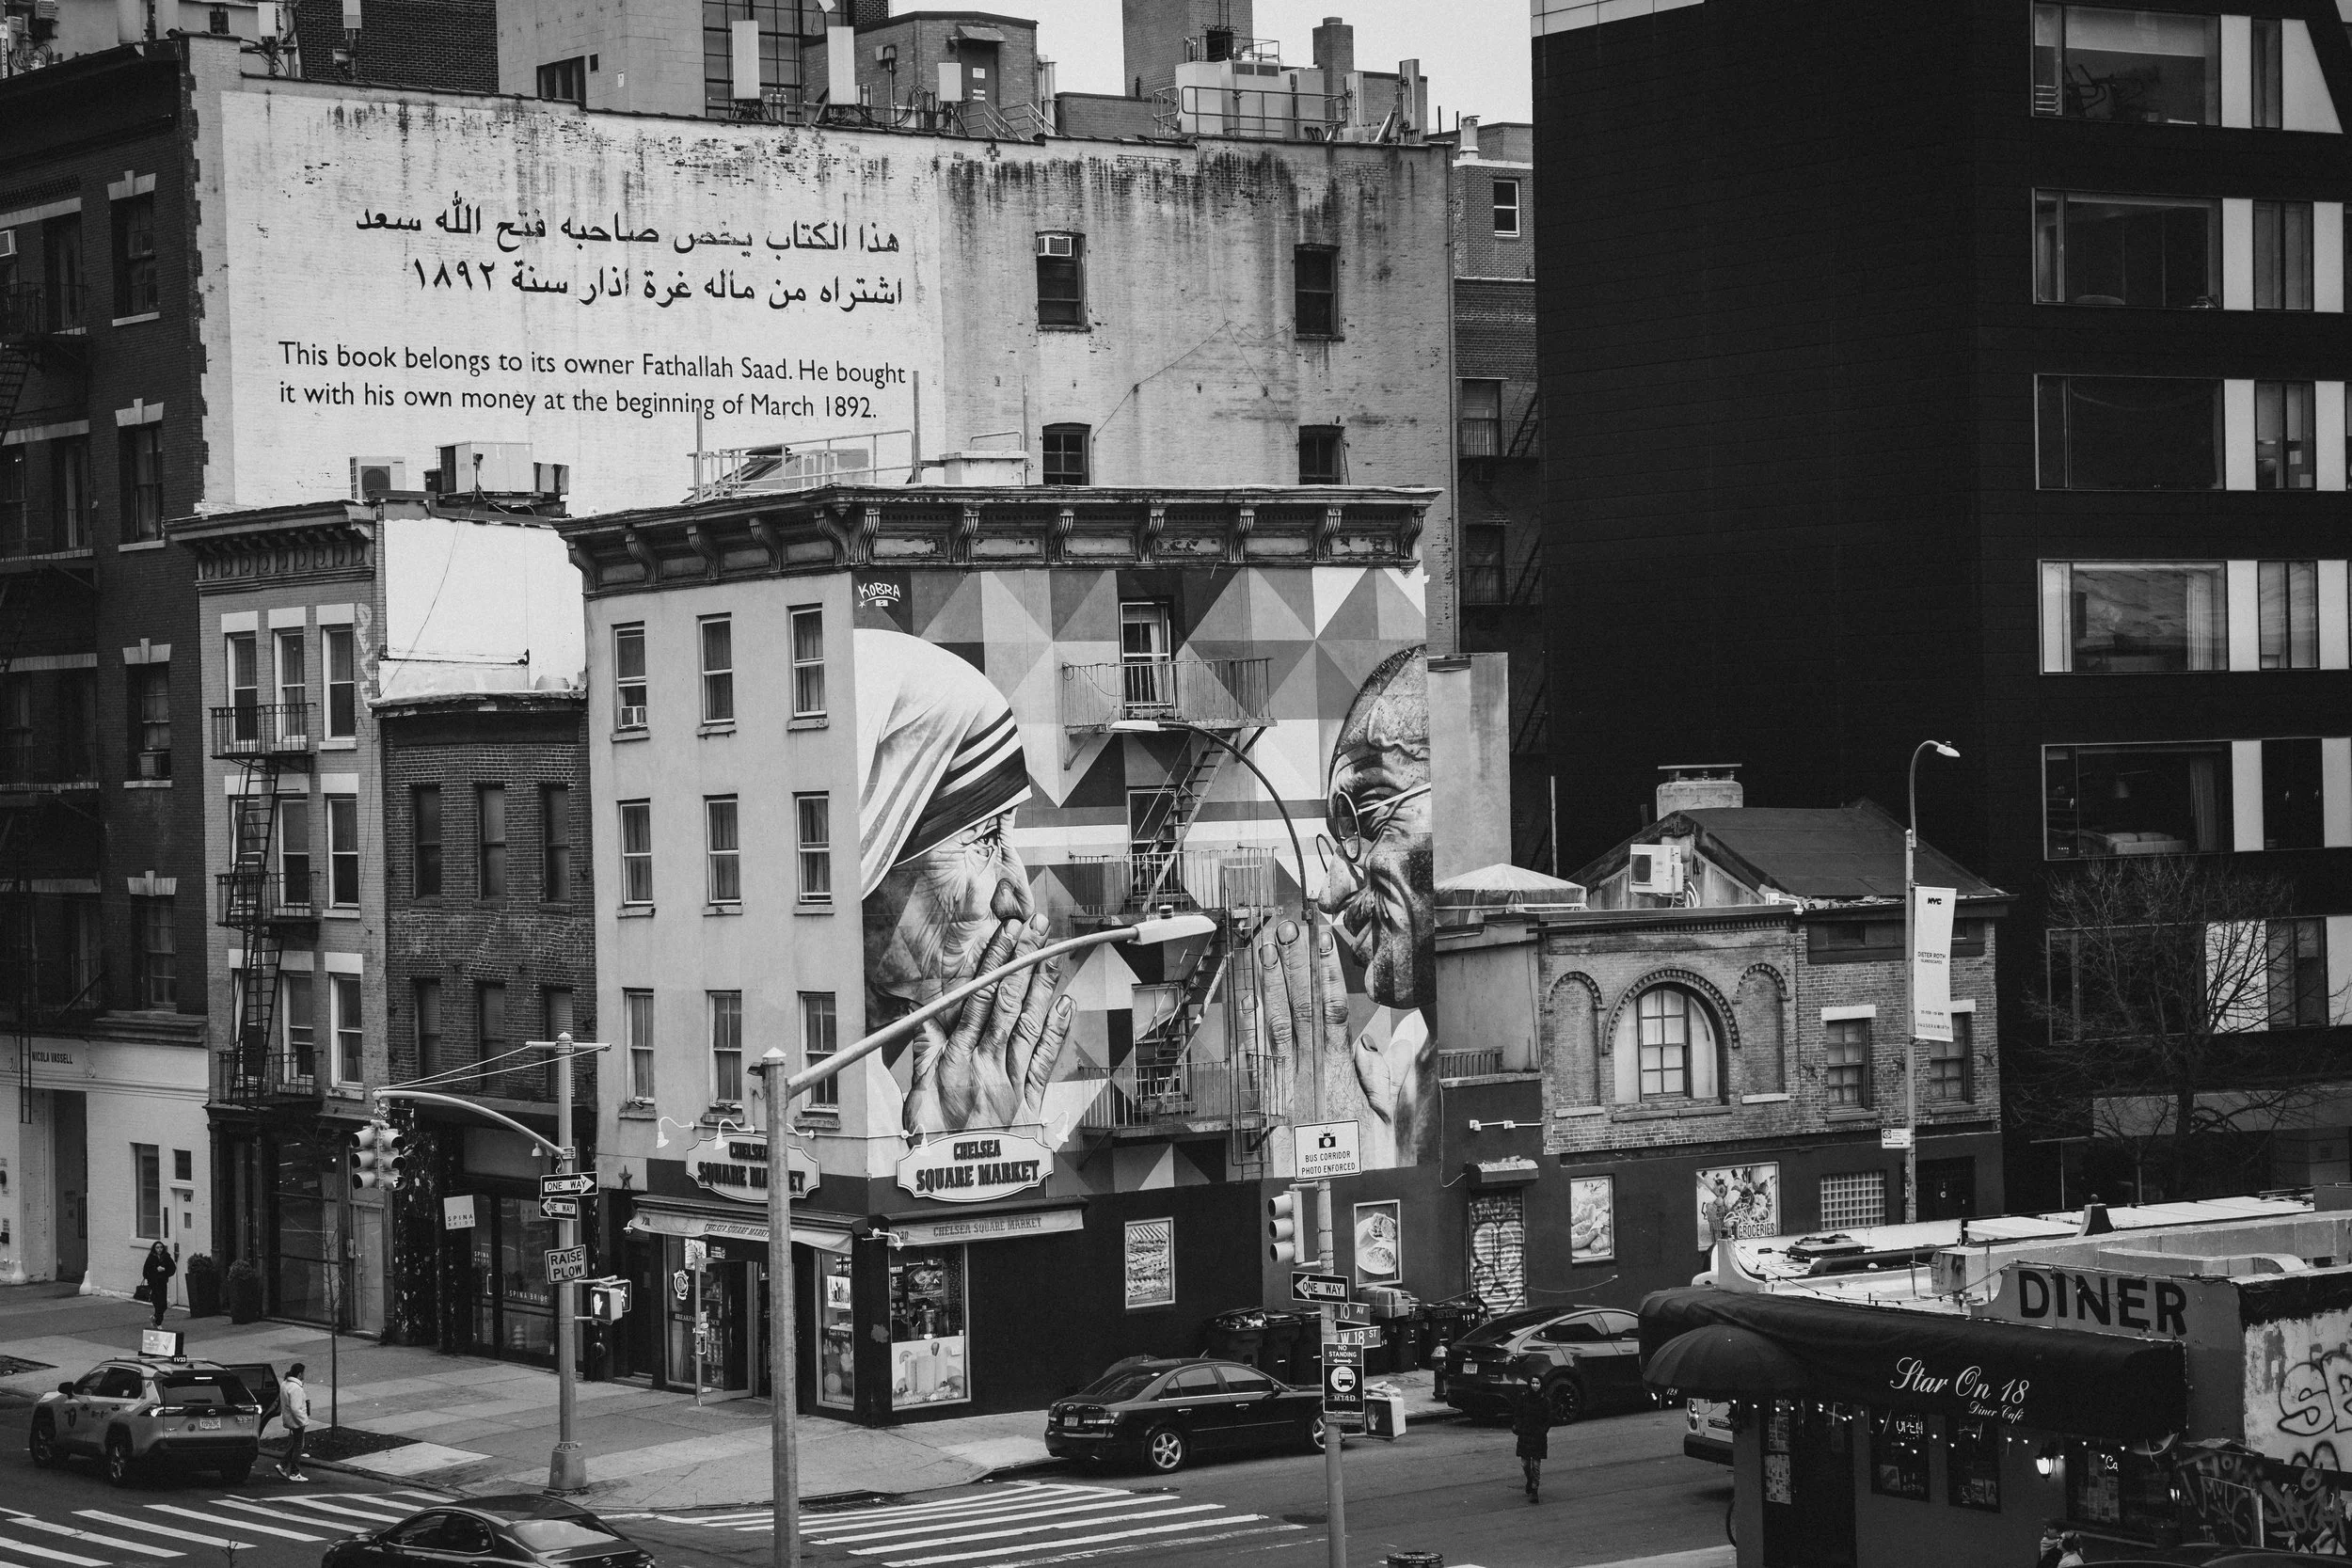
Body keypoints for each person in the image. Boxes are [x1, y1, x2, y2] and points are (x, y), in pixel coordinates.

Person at [1511, 1367, 1555, 1502]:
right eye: (1533, 1383)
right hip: (1525, 1435)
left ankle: (1535, 1489)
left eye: (1537, 1383)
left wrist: (1543, 1430)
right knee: (1525, 1464)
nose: (1535, 1386)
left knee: (1536, 1465)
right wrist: (1518, 1426)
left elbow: (1548, 1419)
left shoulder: (1545, 1401)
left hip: (1538, 1436)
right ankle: (1530, 1480)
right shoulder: (1523, 1398)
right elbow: (1517, 1414)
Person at [278, 1362, 310, 1481]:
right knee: (298, 1446)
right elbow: (296, 1408)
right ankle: (294, 1472)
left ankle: (282, 1465)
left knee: (296, 1444)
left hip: (289, 1419)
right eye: (303, 1373)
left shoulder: (285, 1384)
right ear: (300, 1374)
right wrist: (304, 1421)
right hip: (296, 1421)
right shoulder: (296, 1388)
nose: (304, 1375)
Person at [140, 1243, 176, 1328]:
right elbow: (145, 1272)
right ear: (154, 1249)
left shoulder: (166, 1257)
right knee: (157, 1303)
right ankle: (158, 1323)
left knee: (163, 1305)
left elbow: (173, 1269)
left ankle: (155, 1318)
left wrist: (165, 1270)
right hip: (154, 1284)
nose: (159, 1249)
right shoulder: (151, 1258)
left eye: (161, 1247)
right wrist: (156, 1270)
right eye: (157, 1247)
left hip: (163, 1283)